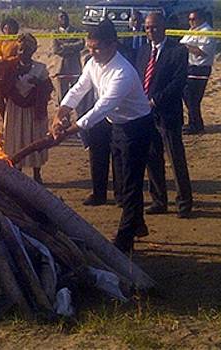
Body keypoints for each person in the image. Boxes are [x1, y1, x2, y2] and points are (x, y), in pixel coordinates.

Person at [52, 19, 154, 253]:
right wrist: (61, 112)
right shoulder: (91, 63)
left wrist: (66, 132)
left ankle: (125, 238)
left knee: (130, 182)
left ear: (112, 45)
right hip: (116, 125)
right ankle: (138, 224)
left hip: (136, 127)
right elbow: (79, 88)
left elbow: (100, 109)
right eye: (90, 47)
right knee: (123, 179)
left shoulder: (123, 73)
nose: (92, 52)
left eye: (97, 48)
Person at [137, 12, 193, 219]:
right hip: (146, 114)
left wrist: (156, 100)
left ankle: (184, 203)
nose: (151, 31)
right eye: (148, 28)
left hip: (168, 113)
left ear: (164, 27)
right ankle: (159, 200)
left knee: (176, 159)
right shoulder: (142, 51)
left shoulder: (178, 51)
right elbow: (139, 78)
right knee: (152, 158)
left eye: (154, 27)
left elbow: (178, 83)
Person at [0, 33, 53, 183]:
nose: (22, 53)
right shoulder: (9, 67)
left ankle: (37, 173)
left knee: (34, 138)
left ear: (33, 51)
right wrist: (12, 77)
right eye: (20, 50)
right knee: (16, 138)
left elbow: (48, 89)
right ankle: (18, 171)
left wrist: (38, 83)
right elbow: (1, 89)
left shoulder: (40, 69)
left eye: (27, 50)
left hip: (34, 110)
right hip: (15, 110)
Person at [180, 9, 217, 134]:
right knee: (188, 96)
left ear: (201, 19)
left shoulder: (207, 32)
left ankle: (197, 125)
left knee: (193, 98)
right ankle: (193, 122)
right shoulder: (191, 31)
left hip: (200, 68)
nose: (191, 22)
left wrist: (185, 47)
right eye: (189, 19)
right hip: (188, 66)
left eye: (193, 19)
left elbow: (202, 52)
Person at [52, 11, 85, 106]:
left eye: (65, 16)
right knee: (61, 96)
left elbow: (81, 44)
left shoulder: (76, 31)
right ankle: (63, 117)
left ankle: (78, 115)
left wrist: (65, 47)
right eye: (61, 17)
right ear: (57, 20)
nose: (63, 19)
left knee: (76, 93)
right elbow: (56, 49)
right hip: (60, 67)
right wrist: (72, 48)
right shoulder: (55, 33)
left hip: (74, 66)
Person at [0, 17, 19, 116]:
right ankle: (4, 121)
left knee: (10, 102)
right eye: (6, 28)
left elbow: (20, 57)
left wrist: (6, 61)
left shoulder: (18, 42)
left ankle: (11, 123)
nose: (8, 30)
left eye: (10, 28)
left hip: (12, 76)